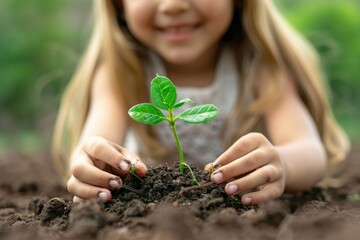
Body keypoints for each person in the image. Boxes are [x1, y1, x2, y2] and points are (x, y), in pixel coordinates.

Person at [52, 0, 349, 205]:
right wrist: (90, 164)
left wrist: (281, 163)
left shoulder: (260, 68)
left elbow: (310, 151)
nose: (174, 5)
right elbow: (90, 146)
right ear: (118, 3)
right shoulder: (119, 72)